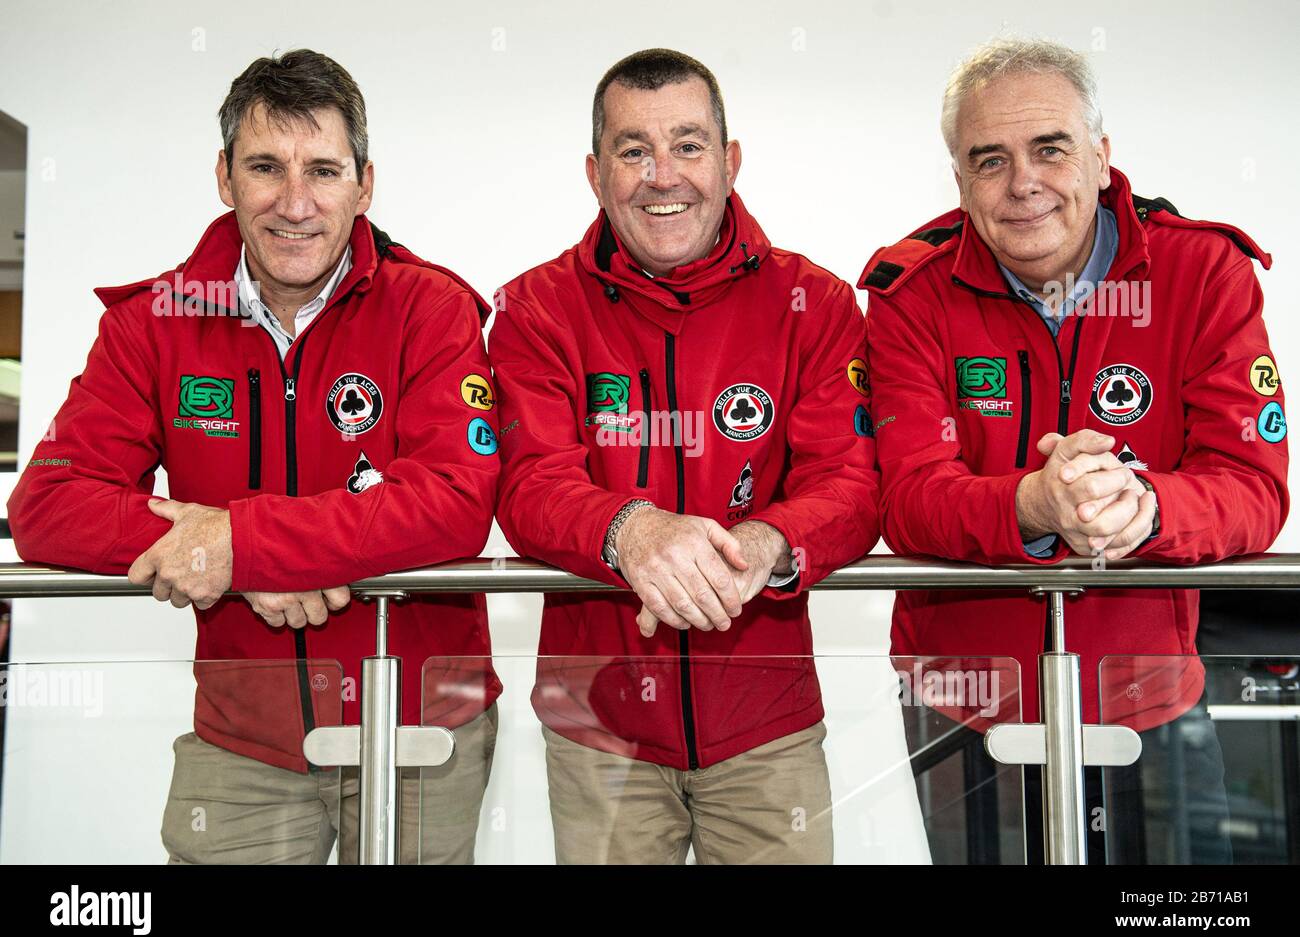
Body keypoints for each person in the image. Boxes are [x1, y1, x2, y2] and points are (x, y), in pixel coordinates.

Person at [7, 50, 501, 864]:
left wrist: (237, 543)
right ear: (225, 177)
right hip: (240, 741)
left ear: (365, 184)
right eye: (266, 167)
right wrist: (237, 554)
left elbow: (453, 502)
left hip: (422, 728)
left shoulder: (433, 309)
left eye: (324, 170)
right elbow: (49, 507)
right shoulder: (153, 322)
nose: (295, 203)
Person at [861, 37, 1289, 863]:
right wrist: (1033, 504)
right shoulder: (910, 294)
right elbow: (906, 497)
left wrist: (1144, 507)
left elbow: (1253, 487)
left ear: (1100, 156)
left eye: (1049, 148)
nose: (1023, 182)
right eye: (990, 160)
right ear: (959, 180)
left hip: (1153, 695)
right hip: (963, 700)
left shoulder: (1205, 273)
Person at [490, 48, 879, 864]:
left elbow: (848, 481)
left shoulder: (814, 303)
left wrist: (767, 547)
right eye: (633, 150)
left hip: (767, 727)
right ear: (595, 173)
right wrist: (633, 530)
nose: (662, 175)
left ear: (730, 162)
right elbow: (530, 485)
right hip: (600, 733)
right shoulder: (536, 308)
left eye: (689, 145)